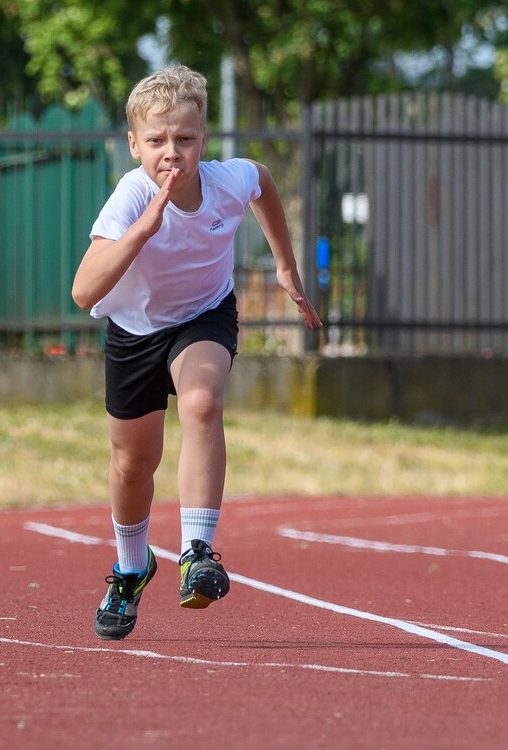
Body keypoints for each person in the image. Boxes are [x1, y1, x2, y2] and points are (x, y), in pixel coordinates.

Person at [72, 65, 321, 640]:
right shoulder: (131, 196)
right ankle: (131, 567)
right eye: (156, 140)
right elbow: (84, 291)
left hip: (204, 315)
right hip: (135, 330)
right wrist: (142, 228)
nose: (172, 152)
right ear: (134, 145)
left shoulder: (227, 180)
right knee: (134, 464)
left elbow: (263, 182)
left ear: (203, 140)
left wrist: (284, 265)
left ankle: (197, 553)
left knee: (202, 402)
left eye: (184, 138)